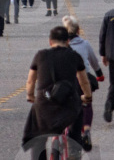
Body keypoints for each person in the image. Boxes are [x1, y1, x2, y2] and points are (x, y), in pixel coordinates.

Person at [22, 26, 93, 160]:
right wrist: (87, 96)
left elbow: (31, 81)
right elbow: (83, 81)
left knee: (39, 138)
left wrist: (30, 96)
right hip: (68, 104)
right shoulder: (74, 56)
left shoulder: (40, 55)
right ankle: (74, 148)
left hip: (44, 105)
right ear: (67, 41)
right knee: (76, 119)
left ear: (50, 41)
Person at [62, 16, 103, 151]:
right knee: (87, 103)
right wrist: (99, 75)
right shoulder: (85, 44)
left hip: (67, 81)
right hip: (83, 80)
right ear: (78, 31)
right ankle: (86, 130)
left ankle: (68, 129)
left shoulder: (60, 46)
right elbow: (94, 61)